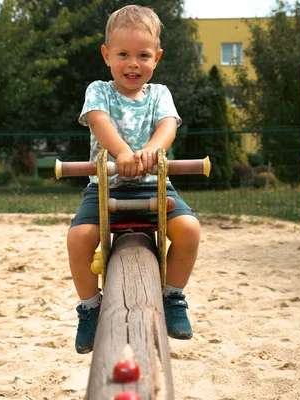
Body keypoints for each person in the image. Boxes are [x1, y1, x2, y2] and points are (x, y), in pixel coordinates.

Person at [67, 4, 201, 354]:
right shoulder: (99, 91)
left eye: (143, 55)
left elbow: (167, 126)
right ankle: (89, 307)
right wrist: (123, 153)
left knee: (189, 231)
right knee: (79, 239)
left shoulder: (160, 94)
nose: (133, 63)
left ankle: (173, 296)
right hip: (106, 184)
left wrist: (151, 152)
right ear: (106, 54)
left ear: (156, 58)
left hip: (153, 182)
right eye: (123, 54)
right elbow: (99, 122)